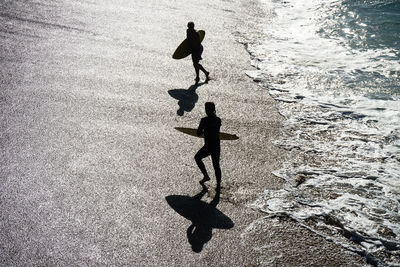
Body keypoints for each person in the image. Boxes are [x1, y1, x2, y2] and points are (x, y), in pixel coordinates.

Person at [194, 102, 221, 194]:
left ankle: (206, 176)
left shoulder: (204, 120)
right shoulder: (218, 120)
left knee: (197, 157)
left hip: (208, 146)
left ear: (206, 110)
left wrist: (204, 131)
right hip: (216, 145)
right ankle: (218, 185)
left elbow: (198, 133)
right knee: (216, 165)